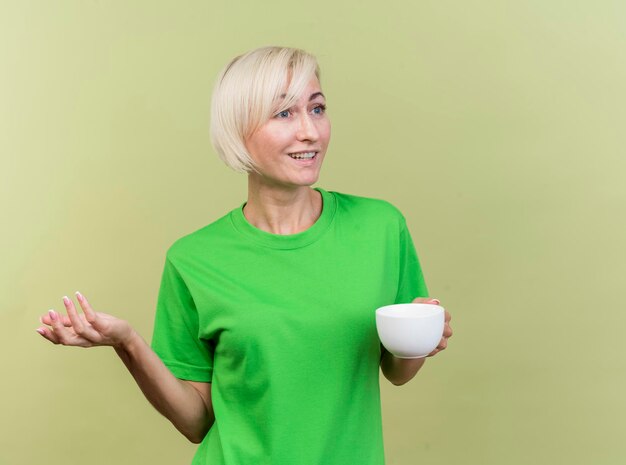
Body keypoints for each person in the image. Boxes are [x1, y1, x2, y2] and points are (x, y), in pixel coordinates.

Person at [36, 46, 453, 465]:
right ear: (238, 130)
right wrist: (126, 343)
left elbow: (397, 373)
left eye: (317, 108)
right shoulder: (194, 259)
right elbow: (195, 421)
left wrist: (421, 336)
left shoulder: (380, 227)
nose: (310, 131)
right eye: (284, 114)